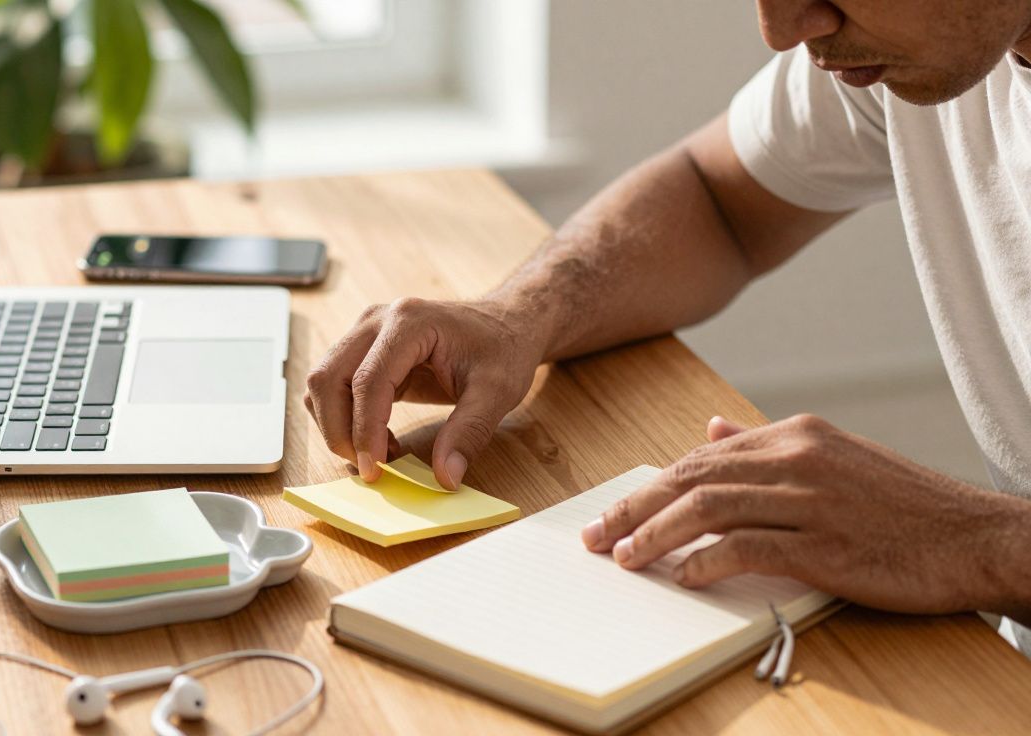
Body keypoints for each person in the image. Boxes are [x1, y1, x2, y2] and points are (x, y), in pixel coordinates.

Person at [303, 0, 1031, 650]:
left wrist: (978, 539)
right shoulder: (916, 45)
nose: (782, 28)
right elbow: (716, 198)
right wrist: (519, 313)